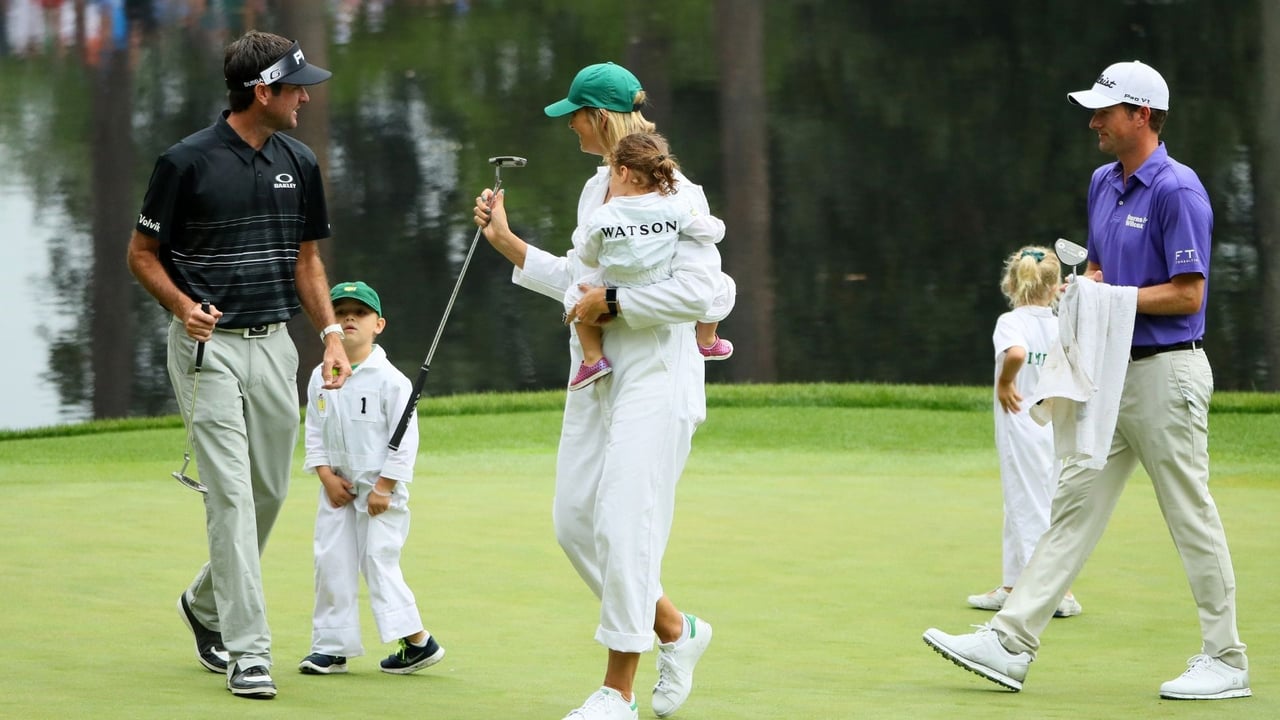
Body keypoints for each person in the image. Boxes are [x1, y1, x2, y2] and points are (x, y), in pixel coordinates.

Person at [923, 60, 1250, 701]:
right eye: (1094, 110)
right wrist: (1090, 289)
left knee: (1190, 516)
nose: (1093, 121)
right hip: (1107, 374)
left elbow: (1188, 295)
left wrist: (1111, 298)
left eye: (1106, 110)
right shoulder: (1104, 182)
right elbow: (1102, 270)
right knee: (1071, 508)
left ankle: (1227, 659)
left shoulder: (1178, 190)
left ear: (1144, 117)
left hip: (1168, 375)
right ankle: (1011, 641)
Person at [473, 61, 735, 720]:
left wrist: (613, 304)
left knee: (624, 524)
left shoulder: (682, 194)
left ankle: (617, 691)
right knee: (574, 524)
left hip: (657, 374)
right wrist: (507, 242)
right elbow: (577, 279)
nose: (571, 128)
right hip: (594, 377)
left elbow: (704, 292)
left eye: (575, 117)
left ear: (597, 117)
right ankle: (677, 629)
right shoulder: (597, 192)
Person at [126, 30, 352, 700]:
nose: (306, 97)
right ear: (263, 91)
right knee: (228, 496)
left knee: (268, 493)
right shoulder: (185, 162)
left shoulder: (299, 161)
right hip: (208, 349)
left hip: (275, 342)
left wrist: (332, 335)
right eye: (296, 87)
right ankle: (248, 653)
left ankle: (203, 603)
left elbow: (306, 261)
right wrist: (180, 306)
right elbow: (142, 253)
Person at [297, 281, 446, 677]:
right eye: (341, 311)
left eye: (359, 313)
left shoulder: (391, 381)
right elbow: (314, 429)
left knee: (378, 561)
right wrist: (325, 475)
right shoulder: (320, 376)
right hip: (337, 489)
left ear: (378, 324)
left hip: (381, 492)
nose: (349, 318)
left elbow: (405, 442)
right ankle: (331, 647)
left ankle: (417, 641)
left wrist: (385, 487)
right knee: (330, 561)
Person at [967, 247, 1081, 619]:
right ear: (1052, 287)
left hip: (1020, 426)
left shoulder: (1010, 322)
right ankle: (1013, 585)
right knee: (1022, 503)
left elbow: (1015, 353)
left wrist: (1005, 381)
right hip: (1051, 426)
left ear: (1012, 283)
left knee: (1030, 508)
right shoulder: (1059, 321)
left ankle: (1053, 593)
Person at [566, 131, 727, 390]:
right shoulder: (675, 205)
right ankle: (707, 340)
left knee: (575, 295)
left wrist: (582, 237)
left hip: (617, 280)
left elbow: (587, 256)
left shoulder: (604, 216)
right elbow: (708, 231)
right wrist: (715, 226)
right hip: (659, 276)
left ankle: (593, 358)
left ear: (623, 172)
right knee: (722, 286)